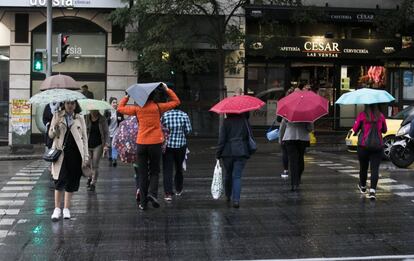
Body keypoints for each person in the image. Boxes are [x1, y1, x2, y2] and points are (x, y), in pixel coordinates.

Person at [118, 83, 180, 210]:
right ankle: (153, 194)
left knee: (142, 173)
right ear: (153, 96)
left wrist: (127, 96)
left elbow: (120, 108)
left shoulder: (137, 109)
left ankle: (143, 203)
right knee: (155, 171)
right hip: (155, 143)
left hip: (141, 143)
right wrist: (167, 89)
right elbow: (176, 101)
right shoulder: (158, 107)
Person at [49, 100, 89, 221]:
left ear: (76, 105)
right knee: (59, 180)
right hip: (61, 154)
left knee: (71, 181)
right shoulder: (57, 115)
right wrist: (55, 125)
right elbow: (51, 135)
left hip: (76, 154)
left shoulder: (79, 118)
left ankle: (66, 209)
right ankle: (57, 209)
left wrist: (86, 156)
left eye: (72, 103)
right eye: (67, 103)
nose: (70, 105)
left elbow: (85, 139)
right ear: (64, 105)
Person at [216, 113, 253, 208]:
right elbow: (250, 136)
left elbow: (222, 139)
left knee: (228, 173)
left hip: (227, 152)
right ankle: (236, 200)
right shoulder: (245, 121)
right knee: (237, 176)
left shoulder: (226, 122)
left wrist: (218, 153)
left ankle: (228, 195)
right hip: (241, 151)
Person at [352, 104, 387, 200]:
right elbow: (384, 130)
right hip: (377, 146)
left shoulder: (362, 115)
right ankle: (372, 191)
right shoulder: (381, 116)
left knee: (363, 168)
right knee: (375, 169)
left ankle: (363, 187)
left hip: (363, 146)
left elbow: (355, 129)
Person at [161, 107, 192, 201]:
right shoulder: (184, 115)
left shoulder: (164, 115)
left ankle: (168, 193)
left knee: (167, 170)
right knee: (179, 168)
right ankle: (178, 189)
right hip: (181, 145)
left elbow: (160, 129)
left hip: (168, 146)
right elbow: (189, 130)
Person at [282, 119, 313, 192]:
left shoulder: (288, 112)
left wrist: (281, 139)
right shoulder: (306, 114)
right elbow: (310, 128)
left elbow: (283, 125)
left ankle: (294, 183)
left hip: (290, 137)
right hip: (302, 139)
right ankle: (298, 178)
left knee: (293, 161)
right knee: (300, 159)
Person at [85, 110, 109, 192]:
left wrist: (106, 144)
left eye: (94, 110)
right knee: (87, 163)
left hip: (98, 145)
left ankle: (93, 183)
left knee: (95, 164)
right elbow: (81, 130)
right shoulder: (86, 118)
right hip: (87, 145)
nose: (93, 112)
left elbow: (106, 132)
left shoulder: (102, 119)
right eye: (91, 110)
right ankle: (89, 176)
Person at [105, 97, 124, 167]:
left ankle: (114, 159)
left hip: (116, 131)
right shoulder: (107, 111)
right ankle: (110, 157)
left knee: (114, 145)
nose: (115, 104)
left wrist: (120, 119)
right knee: (109, 145)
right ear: (110, 103)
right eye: (113, 102)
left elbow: (123, 120)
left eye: (116, 102)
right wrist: (109, 119)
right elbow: (104, 121)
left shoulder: (119, 111)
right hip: (108, 131)